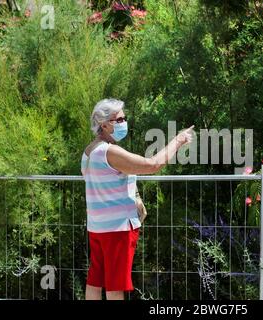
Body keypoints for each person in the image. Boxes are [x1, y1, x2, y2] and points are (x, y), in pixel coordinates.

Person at [81, 98, 193, 300]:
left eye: (125, 118)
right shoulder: (109, 151)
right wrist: (178, 140)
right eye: (119, 119)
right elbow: (152, 165)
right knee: (115, 285)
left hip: (98, 228)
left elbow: (115, 178)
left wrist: (137, 197)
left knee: (95, 281)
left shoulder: (89, 152)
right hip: (118, 229)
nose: (124, 122)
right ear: (104, 124)